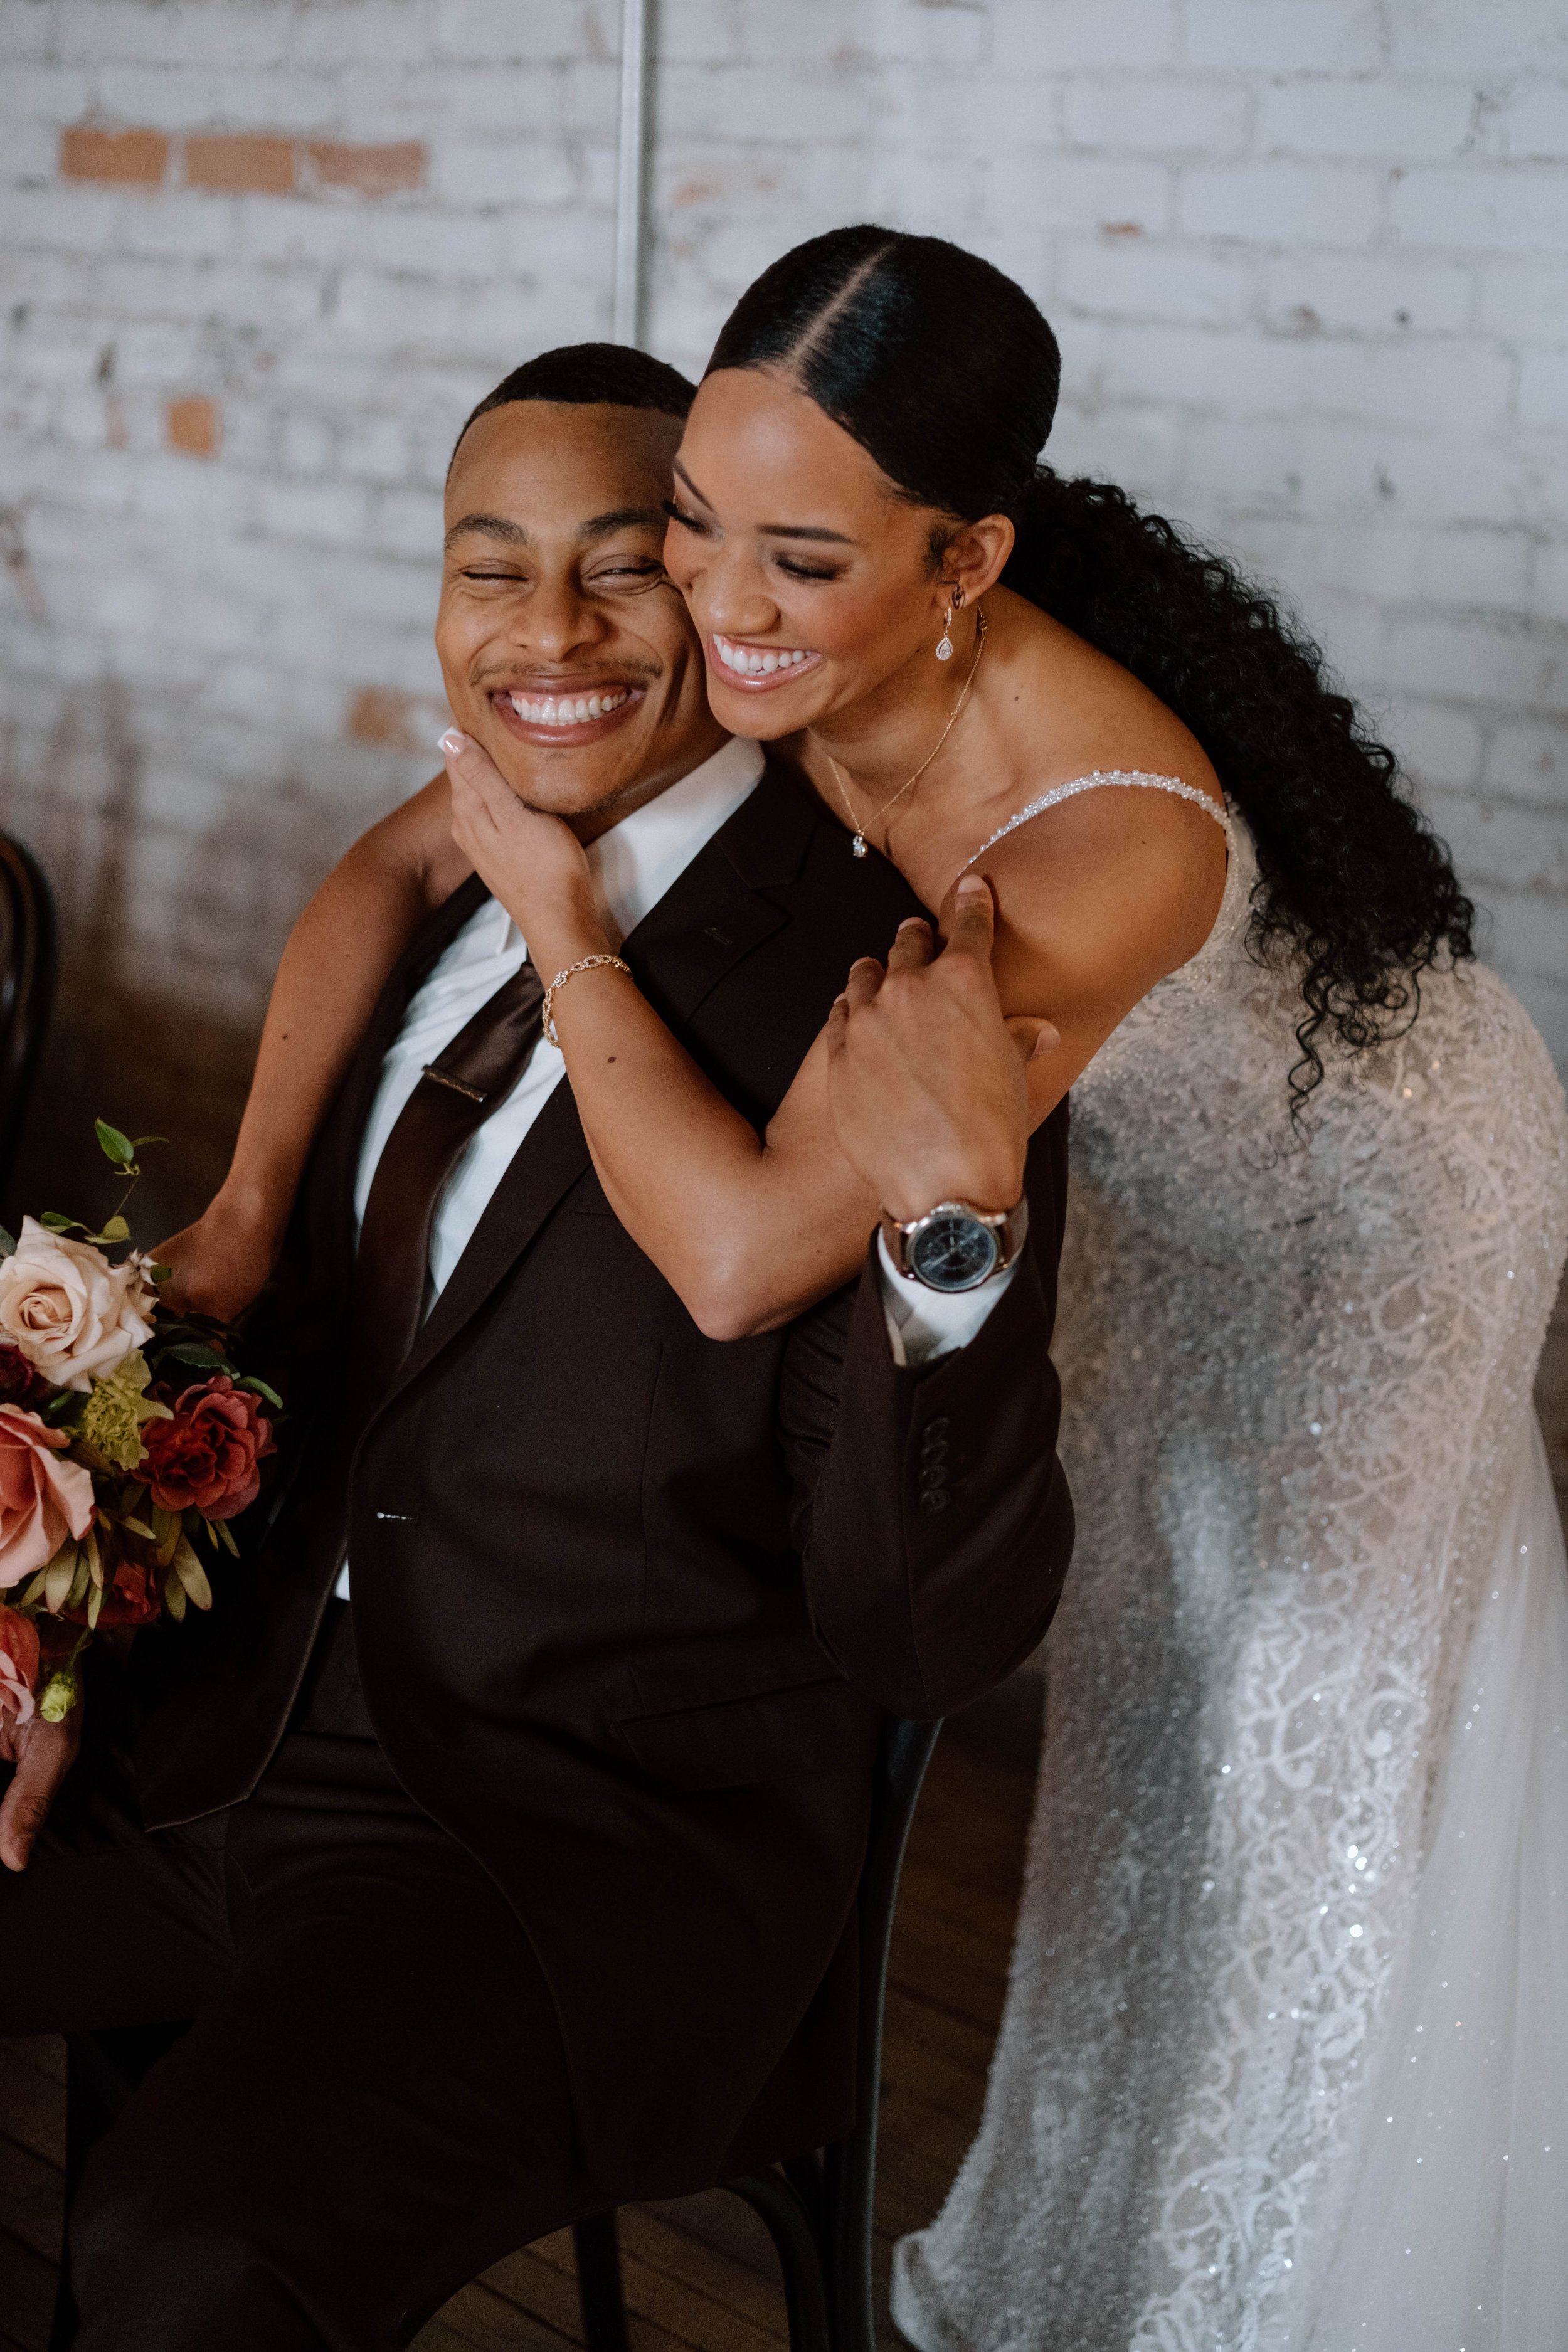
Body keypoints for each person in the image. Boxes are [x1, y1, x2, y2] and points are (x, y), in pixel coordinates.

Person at [154, 226, 1568, 2345]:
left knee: (1303, 1742)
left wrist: (566, 926)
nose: (716, 608)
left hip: (1357, 1207)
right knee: (1141, 1730)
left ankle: (1292, 2282)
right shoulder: (770, 665)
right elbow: (389, 857)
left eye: (795, 564)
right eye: (696, 523)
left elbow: (733, 1255)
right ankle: (1071, 2245)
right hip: (1138, 1185)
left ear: (963, 561)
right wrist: (252, 1215)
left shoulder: (1106, 854)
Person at [0, 341, 1078, 2351]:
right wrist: (57, 1642)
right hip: (212, 1737)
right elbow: (267, 1346)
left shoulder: (894, 991)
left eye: (616, 566)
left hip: (568, 1847)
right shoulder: (444, 868)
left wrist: (954, 1259)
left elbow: (931, 1635)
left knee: (186, 2258)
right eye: (486, 569)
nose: (547, 630)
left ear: (728, 590)